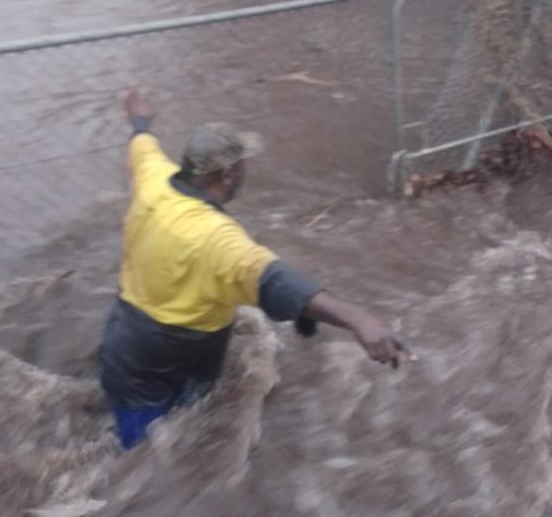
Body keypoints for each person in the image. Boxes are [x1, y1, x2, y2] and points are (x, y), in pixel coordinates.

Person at [100, 89, 408, 451]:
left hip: (122, 340)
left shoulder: (154, 177)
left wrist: (139, 119)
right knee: (160, 454)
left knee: (141, 448)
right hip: (172, 357)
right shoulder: (216, 237)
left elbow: (142, 143)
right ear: (229, 173)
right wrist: (358, 319)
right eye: (244, 163)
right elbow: (275, 280)